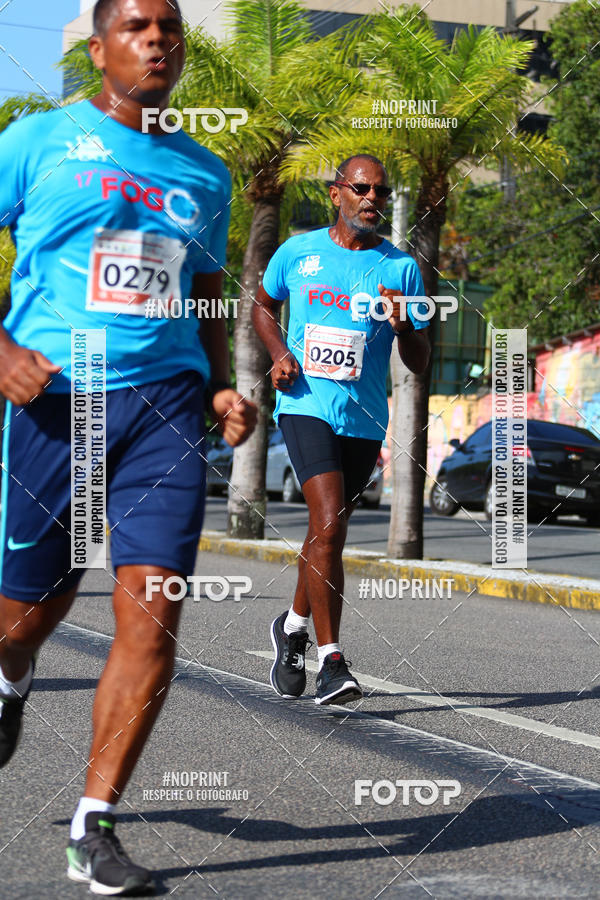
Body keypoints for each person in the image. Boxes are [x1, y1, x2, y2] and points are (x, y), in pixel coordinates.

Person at [0, 0, 256, 894]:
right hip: (53, 399)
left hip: (164, 409)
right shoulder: (36, 142)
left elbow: (208, 288)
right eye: (139, 26)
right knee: (23, 614)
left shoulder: (205, 174)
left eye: (171, 28)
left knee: (152, 607)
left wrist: (220, 381)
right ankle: (12, 676)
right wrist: (1, 352)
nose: (158, 39)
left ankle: (92, 826)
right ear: (100, 46)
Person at [252, 154, 430, 706]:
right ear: (337, 194)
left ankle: (293, 626)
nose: (372, 198)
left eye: (381, 190)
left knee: (327, 533)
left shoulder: (400, 270)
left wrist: (403, 324)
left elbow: (421, 360)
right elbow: (261, 306)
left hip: (363, 418)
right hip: (306, 405)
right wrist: (279, 352)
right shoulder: (298, 252)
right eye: (361, 188)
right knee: (327, 522)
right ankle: (333, 661)